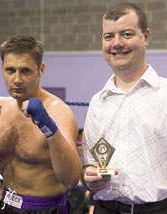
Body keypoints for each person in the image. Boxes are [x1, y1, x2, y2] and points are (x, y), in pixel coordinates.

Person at [0, 35, 81, 214]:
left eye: (26, 71)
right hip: (7, 204)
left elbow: (71, 179)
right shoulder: (0, 110)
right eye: (10, 70)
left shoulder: (58, 112)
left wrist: (49, 129)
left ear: (40, 70)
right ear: (2, 68)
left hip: (46, 209)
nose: (17, 79)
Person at [81, 2, 167, 214]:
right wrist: (88, 177)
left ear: (146, 37)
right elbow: (88, 166)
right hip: (105, 208)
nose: (117, 43)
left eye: (126, 34)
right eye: (109, 36)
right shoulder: (97, 102)